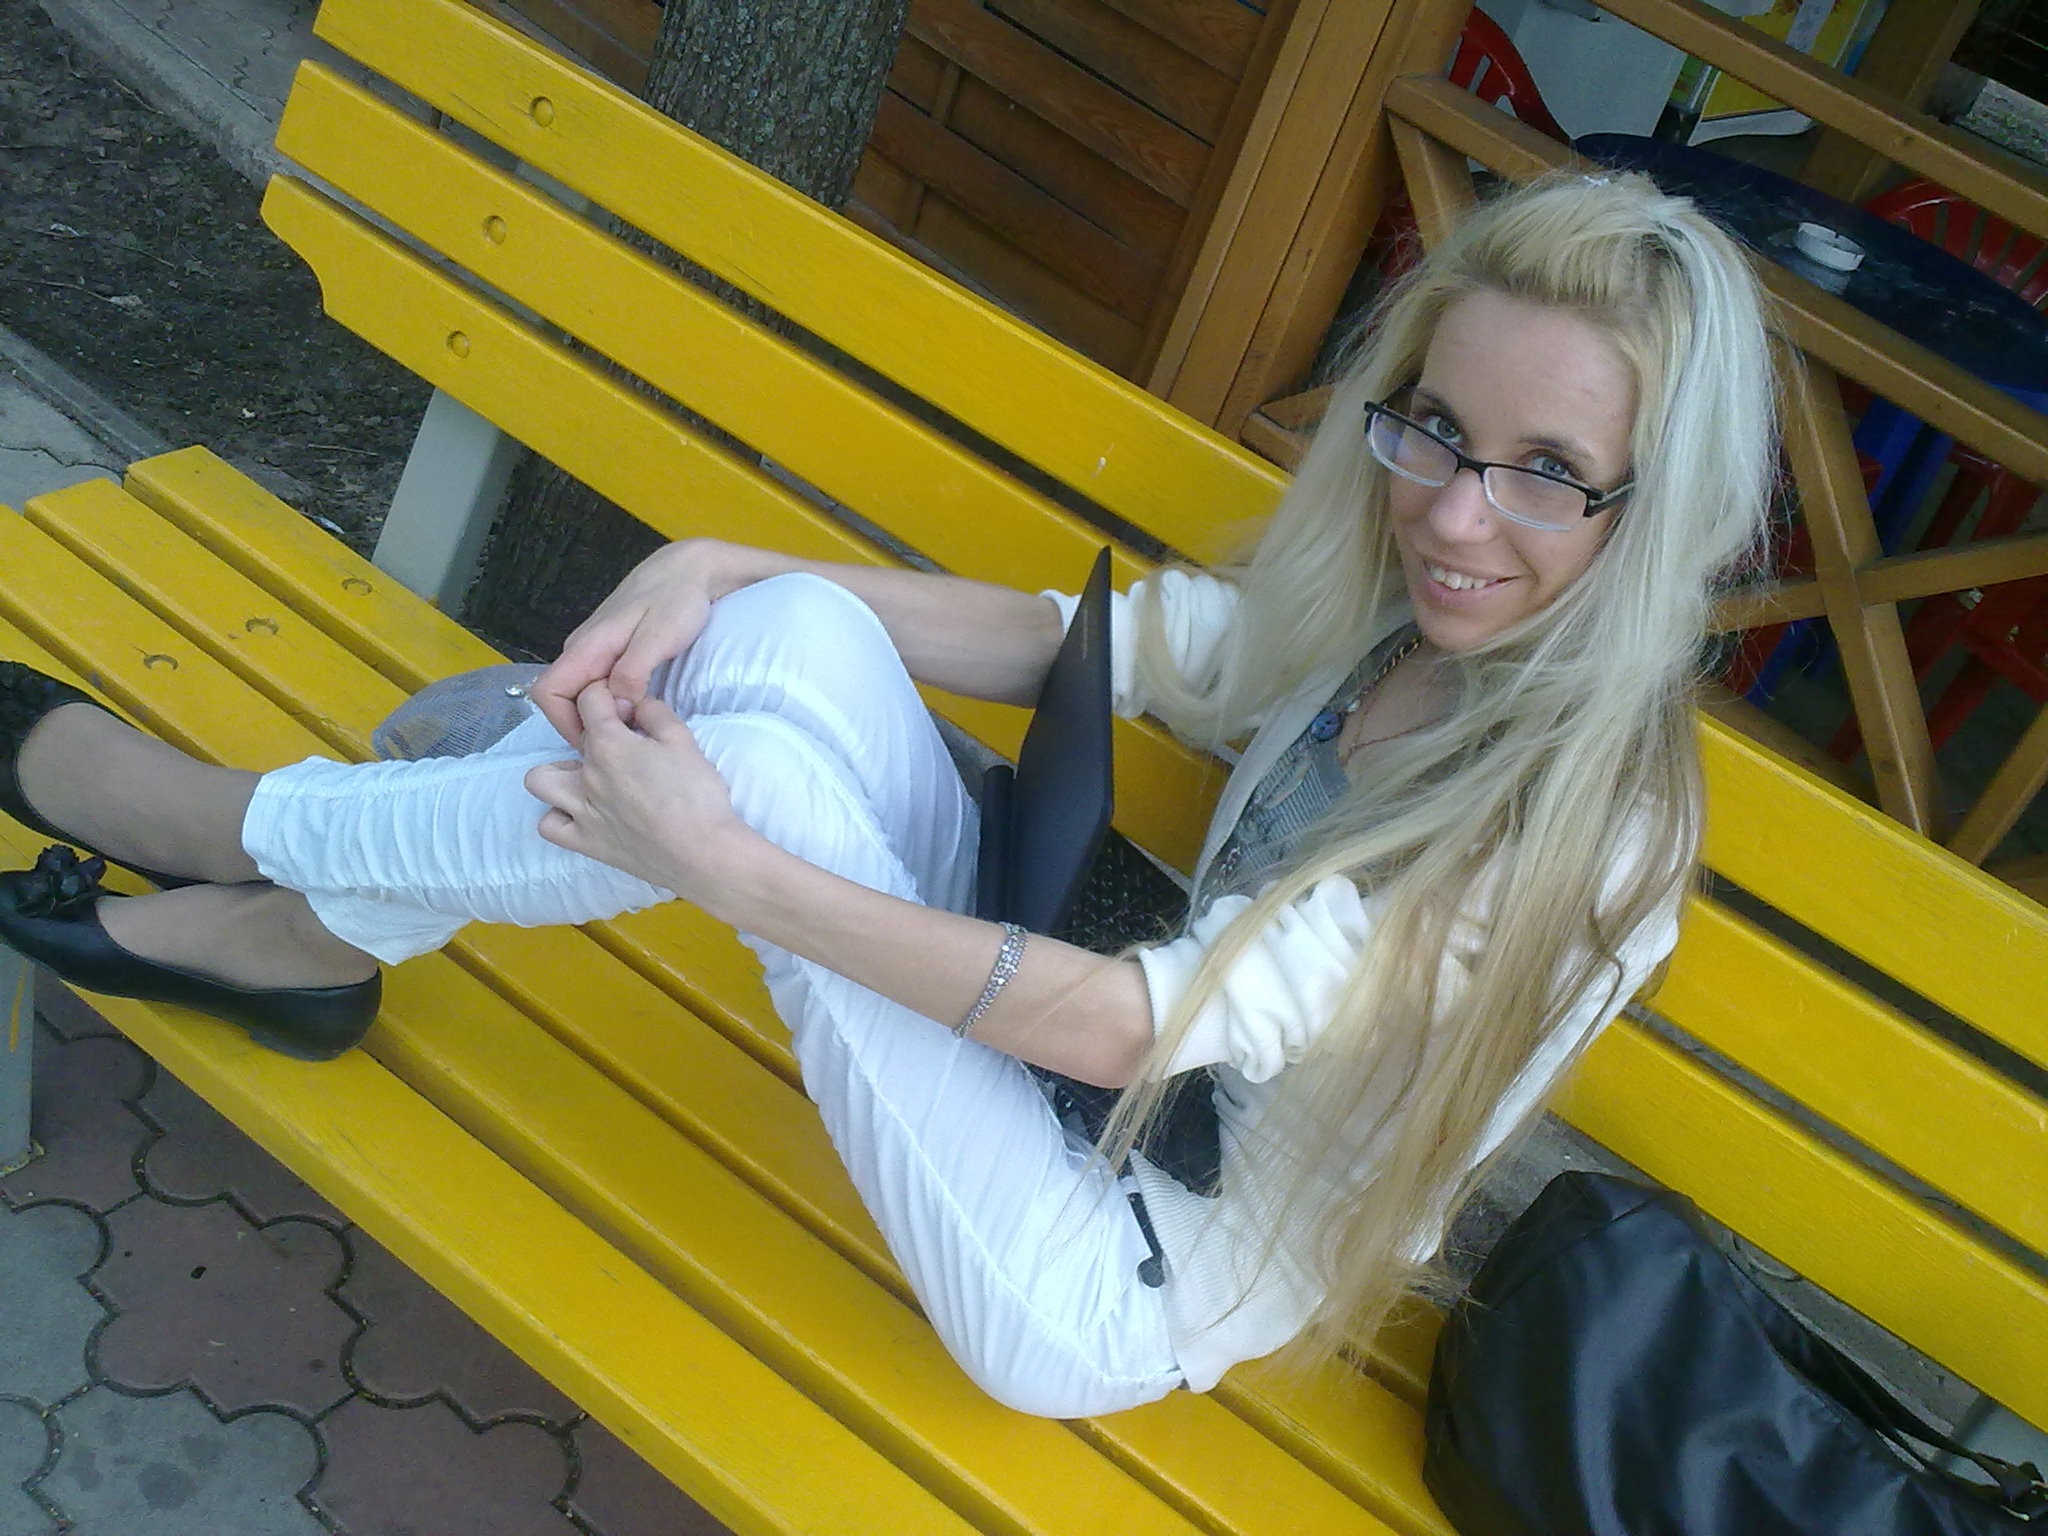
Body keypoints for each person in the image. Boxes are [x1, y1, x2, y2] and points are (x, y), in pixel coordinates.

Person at [0, 171, 1775, 1418]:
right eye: (1438, 430)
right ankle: (305, 920)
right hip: (1067, 1055)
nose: (1456, 513)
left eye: (1551, 473)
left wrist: (722, 866)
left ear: (1660, 510)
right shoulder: (1407, 618)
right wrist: (724, 563)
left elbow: (1134, 1025)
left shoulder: (1590, 830)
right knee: (793, 641)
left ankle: (232, 837)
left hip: (1115, 1262)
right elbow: (1092, 642)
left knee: (753, 795)